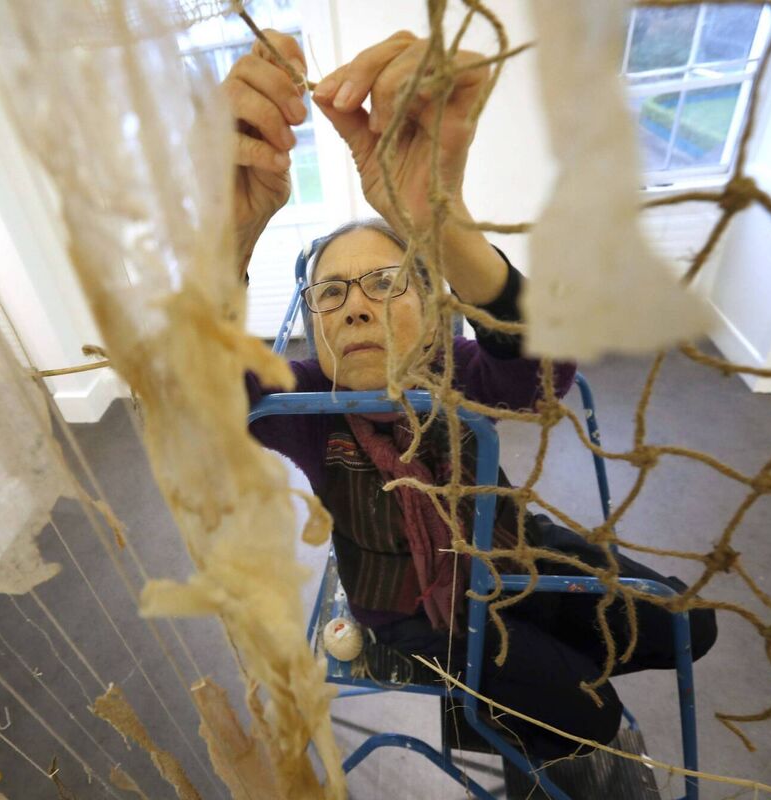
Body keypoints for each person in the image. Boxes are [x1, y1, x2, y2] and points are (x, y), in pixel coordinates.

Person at [225, 30, 717, 760]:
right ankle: (509, 715)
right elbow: (212, 391)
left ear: (432, 313)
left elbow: (540, 373)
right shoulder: (307, 405)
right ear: (316, 330)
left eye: (385, 283)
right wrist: (228, 241)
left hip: (511, 549)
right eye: (331, 293)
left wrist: (441, 223)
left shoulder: (451, 367)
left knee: (689, 626)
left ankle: (522, 687)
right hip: (415, 610)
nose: (354, 307)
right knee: (592, 717)